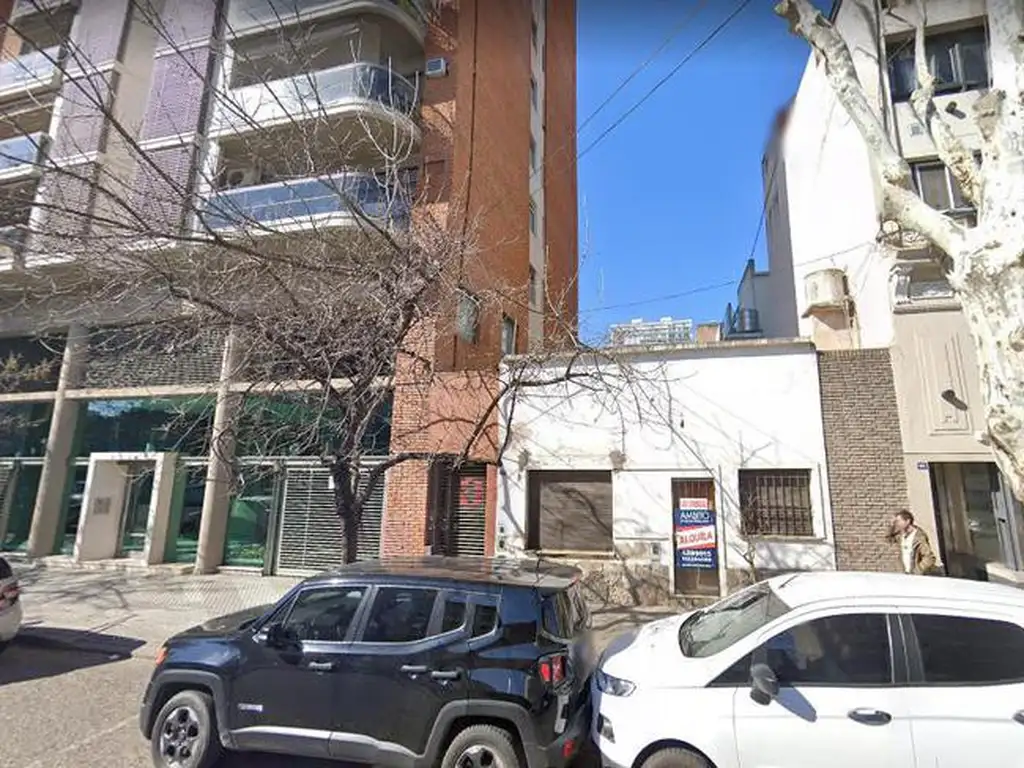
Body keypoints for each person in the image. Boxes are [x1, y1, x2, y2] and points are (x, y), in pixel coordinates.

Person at [889, 510, 937, 575]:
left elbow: (929, 558)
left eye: (899, 521)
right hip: (904, 574)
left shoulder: (919, 537)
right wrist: (892, 525)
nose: (897, 523)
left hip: (915, 576)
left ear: (907, 521)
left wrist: (917, 570)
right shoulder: (901, 536)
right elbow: (888, 538)